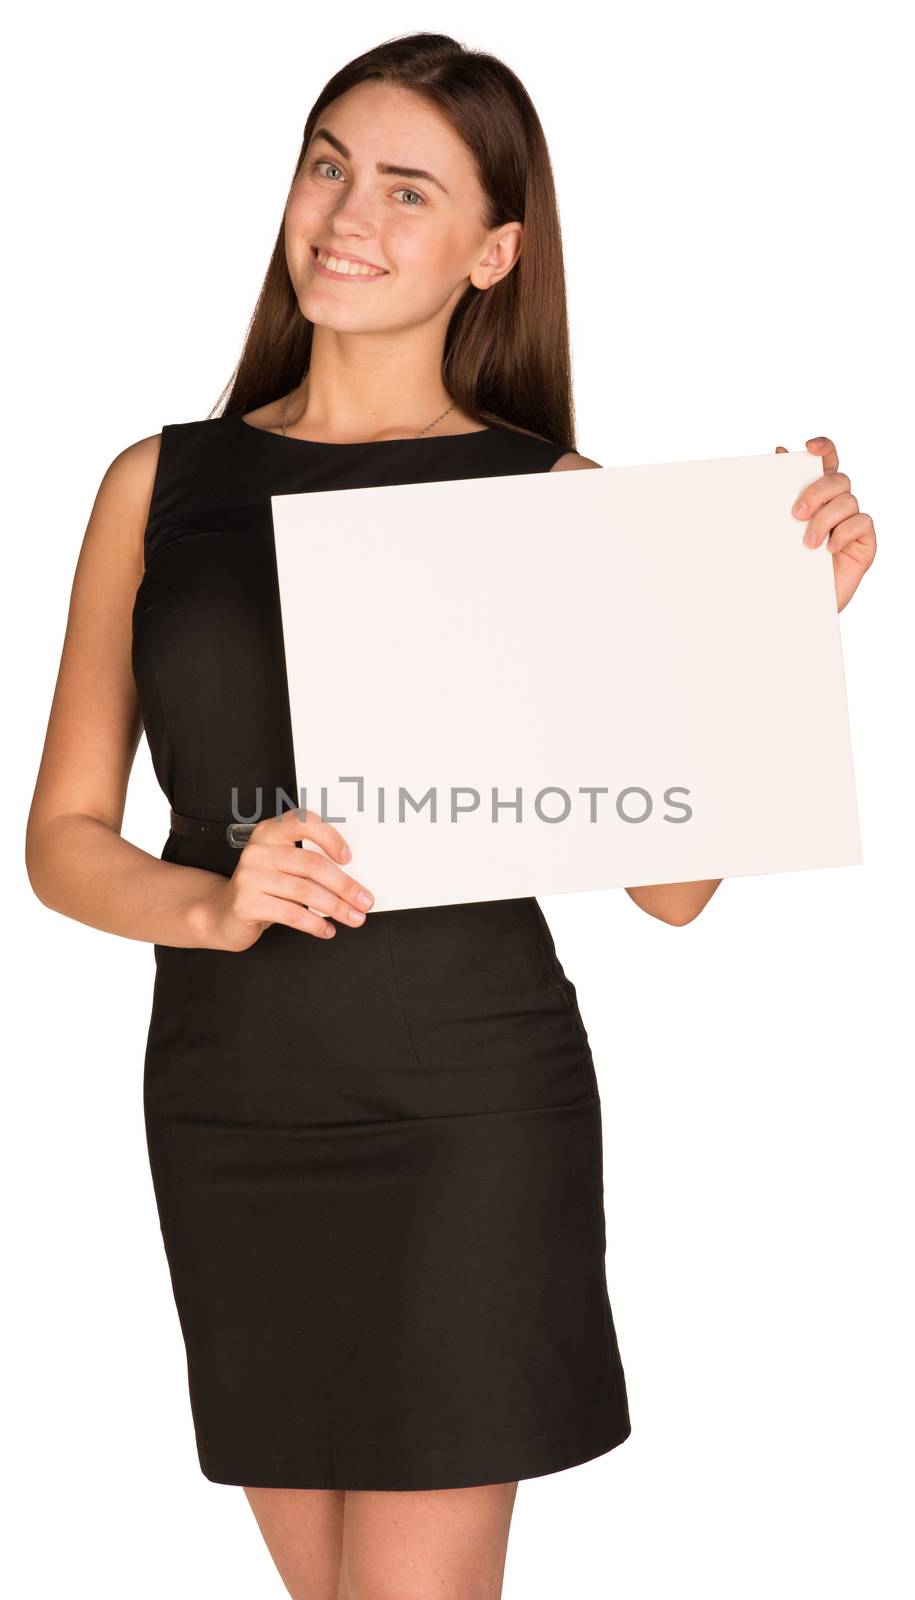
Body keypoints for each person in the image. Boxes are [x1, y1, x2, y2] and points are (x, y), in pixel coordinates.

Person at [24, 30, 876, 1600]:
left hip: (468, 1111)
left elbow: (672, 891)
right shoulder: (160, 485)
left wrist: (775, 634)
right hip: (232, 1108)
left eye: (407, 189)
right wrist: (211, 903)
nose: (347, 212)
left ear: (495, 251)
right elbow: (64, 837)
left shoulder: (558, 499)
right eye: (329, 162)